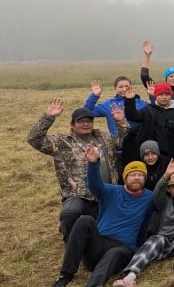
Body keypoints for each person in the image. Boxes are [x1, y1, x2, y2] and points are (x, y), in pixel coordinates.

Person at [48, 146, 154, 287]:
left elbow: (145, 222)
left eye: (140, 175)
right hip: (99, 244)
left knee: (114, 253)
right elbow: (94, 184)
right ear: (125, 177)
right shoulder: (111, 191)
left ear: (145, 178)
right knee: (85, 220)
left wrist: (139, 248)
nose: (136, 177)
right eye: (132, 174)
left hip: (122, 248)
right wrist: (93, 163)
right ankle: (65, 276)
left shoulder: (149, 197)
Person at [28, 99, 128, 242]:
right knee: (69, 214)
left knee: (103, 231)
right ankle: (71, 242)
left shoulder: (105, 138)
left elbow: (124, 141)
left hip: (106, 193)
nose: (86, 124)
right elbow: (34, 139)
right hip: (79, 194)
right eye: (81, 121)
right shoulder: (62, 142)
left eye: (89, 121)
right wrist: (48, 117)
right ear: (73, 125)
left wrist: (120, 121)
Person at [112, 157, 174, 287]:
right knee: (154, 239)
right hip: (165, 243)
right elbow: (157, 192)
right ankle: (130, 276)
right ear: (168, 189)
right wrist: (166, 175)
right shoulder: (164, 202)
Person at [83, 77, 148, 169]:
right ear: (115, 88)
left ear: (132, 87)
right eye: (120, 87)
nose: (124, 89)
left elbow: (154, 113)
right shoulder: (109, 104)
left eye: (127, 86)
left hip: (138, 145)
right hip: (118, 146)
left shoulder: (141, 103)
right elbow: (87, 112)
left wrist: (152, 97)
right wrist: (94, 95)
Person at [124, 82, 174, 161]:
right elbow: (133, 117)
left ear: (171, 96)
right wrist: (130, 100)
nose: (164, 97)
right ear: (156, 96)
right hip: (153, 155)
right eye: (161, 95)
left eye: (167, 95)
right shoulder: (149, 110)